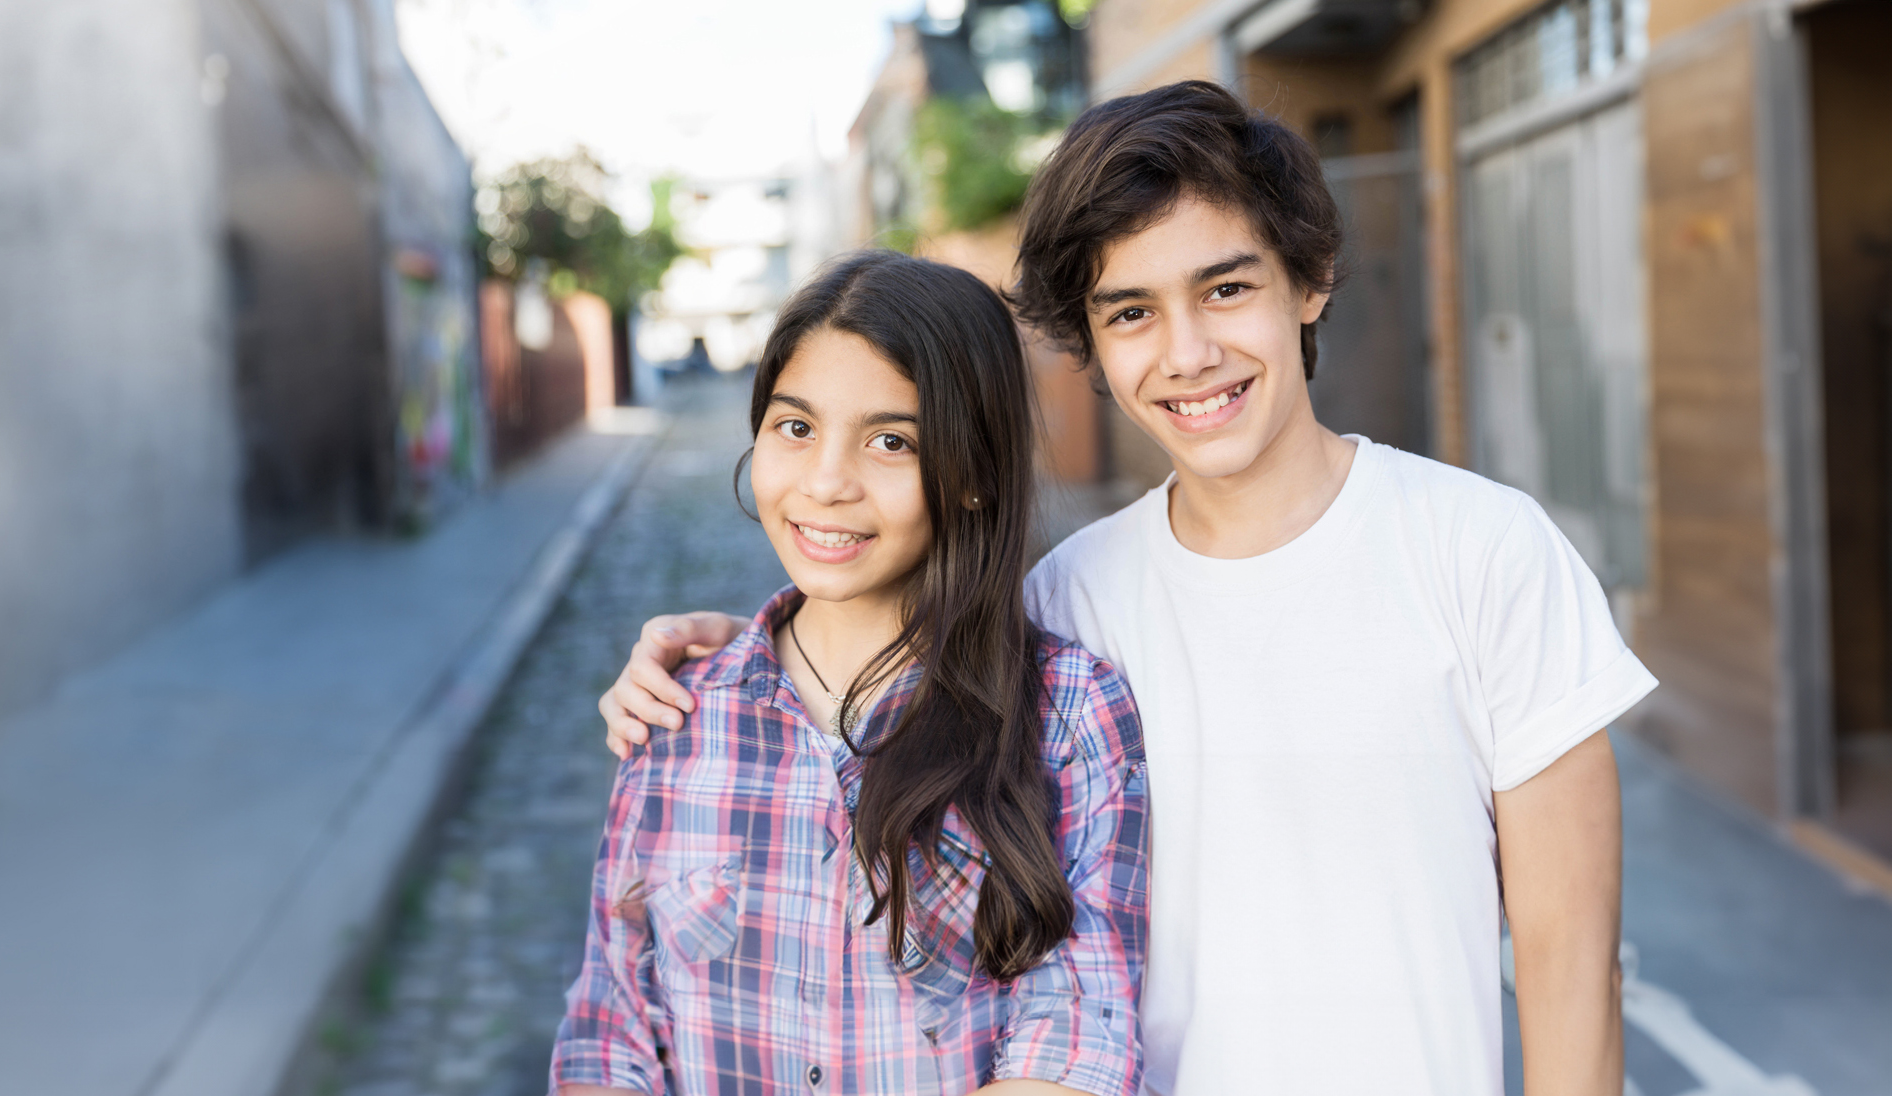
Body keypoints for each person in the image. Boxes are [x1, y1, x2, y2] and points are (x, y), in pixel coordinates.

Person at [597, 81, 1652, 1096]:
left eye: (1226, 289)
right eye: (1132, 312)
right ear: (1091, 343)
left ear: (1311, 278)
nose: (1188, 354)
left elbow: (1571, 965)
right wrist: (732, 654)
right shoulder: (1069, 602)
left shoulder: (1482, 551)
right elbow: (864, 683)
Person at [552, 250, 1150, 1096]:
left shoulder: (1070, 715)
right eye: (795, 428)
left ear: (974, 473)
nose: (827, 483)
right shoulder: (673, 712)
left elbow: (1076, 1042)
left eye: (890, 440)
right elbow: (611, 1031)